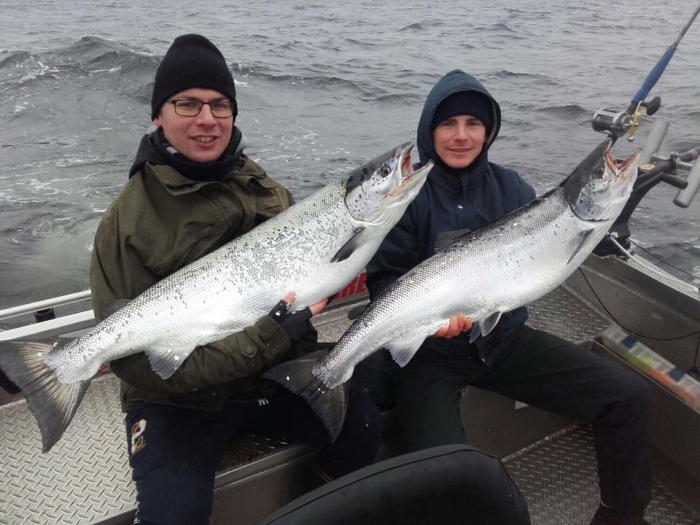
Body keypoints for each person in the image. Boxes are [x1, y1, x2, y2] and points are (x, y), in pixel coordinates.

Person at [89, 34, 380, 525]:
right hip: (177, 399)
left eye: (220, 105)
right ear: (158, 115)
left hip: (269, 373)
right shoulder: (126, 223)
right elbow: (137, 365)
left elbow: (307, 290)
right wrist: (268, 335)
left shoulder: (268, 191)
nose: (207, 119)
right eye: (187, 103)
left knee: (361, 426)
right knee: (174, 515)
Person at [363, 69, 652, 525]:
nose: (461, 136)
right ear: (428, 130)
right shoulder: (406, 198)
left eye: (473, 124)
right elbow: (384, 283)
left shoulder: (513, 188)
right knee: (448, 474)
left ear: (489, 131)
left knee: (628, 395)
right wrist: (431, 323)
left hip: (503, 341)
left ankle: (621, 516)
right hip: (429, 356)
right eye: (448, 123)